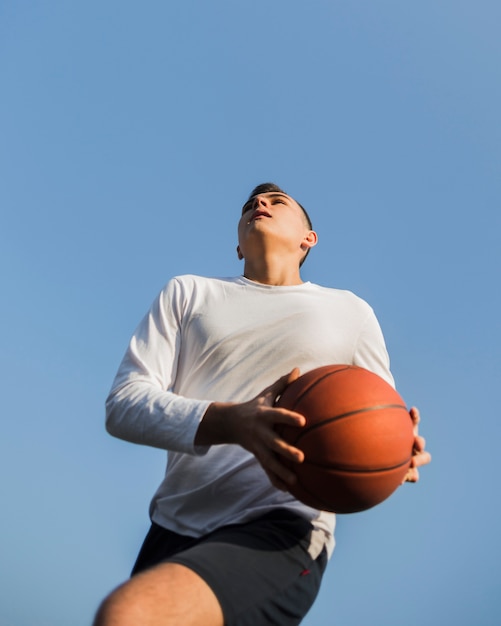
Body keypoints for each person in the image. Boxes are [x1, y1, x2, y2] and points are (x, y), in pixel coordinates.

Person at [94, 183, 431, 626]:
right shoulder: (189, 292)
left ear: (308, 238)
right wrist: (231, 422)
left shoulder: (350, 311)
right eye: (251, 204)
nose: (260, 203)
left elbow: (376, 413)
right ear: (237, 246)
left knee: (129, 616)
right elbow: (124, 404)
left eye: (278, 201)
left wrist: (394, 449)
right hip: (174, 527)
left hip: (282, 527)